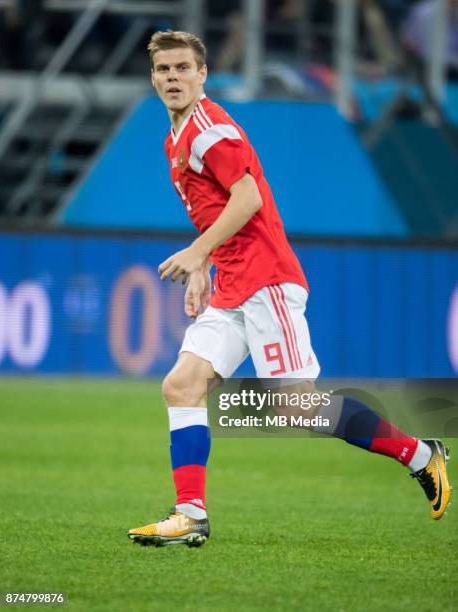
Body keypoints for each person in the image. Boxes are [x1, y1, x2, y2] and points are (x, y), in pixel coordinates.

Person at [127, 30, 451, 547]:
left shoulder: (211, 131)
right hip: (234, 283)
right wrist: (204, 263)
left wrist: (194, 252)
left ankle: (420, 454)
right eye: (164, 70)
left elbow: (248, 197)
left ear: (202, 74)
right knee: (181, 386)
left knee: (298, 408)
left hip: (265, 281)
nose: (173, 78)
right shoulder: (177, 135)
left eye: (183, 68)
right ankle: (190, 514)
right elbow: (219, 209)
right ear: (153, 77)